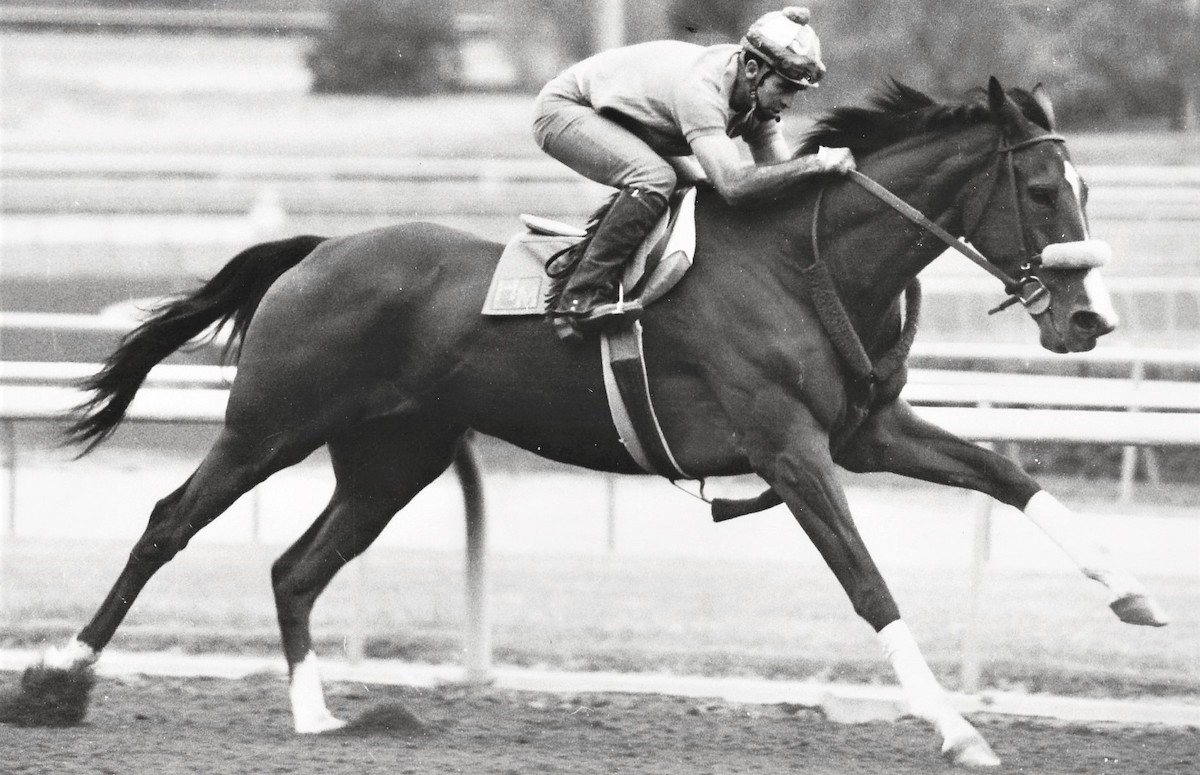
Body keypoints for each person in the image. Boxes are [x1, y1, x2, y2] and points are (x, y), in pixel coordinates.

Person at [532, 6, 856, 337]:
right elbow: (735, 185)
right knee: (655, 179)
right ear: (753, 68)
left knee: (702, 188)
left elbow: (779, 180)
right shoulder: (703, 90)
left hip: (624, 117)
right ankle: (578, 299)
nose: (789, 101)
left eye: (797, 91)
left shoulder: (756, 97)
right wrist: (816, 163)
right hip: (566, 109)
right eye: (785, 88)